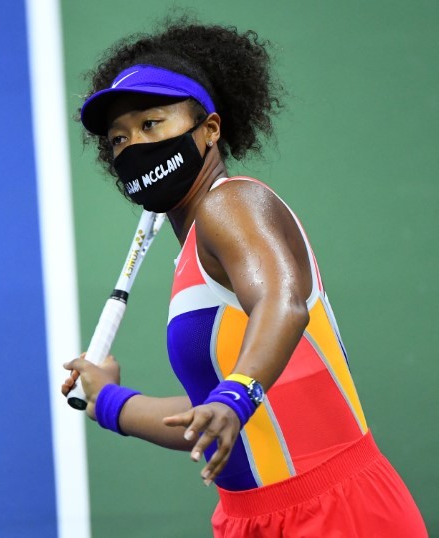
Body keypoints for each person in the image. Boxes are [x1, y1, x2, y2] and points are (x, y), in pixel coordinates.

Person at [61, 17, 427, 537]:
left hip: (334, 512)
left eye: (151, 124)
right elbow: (210, 414)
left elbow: (281, 301)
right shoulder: (193, 252)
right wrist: (112, 403)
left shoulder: (231, 203)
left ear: (209, 130)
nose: (132, 145)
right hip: (249, 519)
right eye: (119, 139)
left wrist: (235, 397)